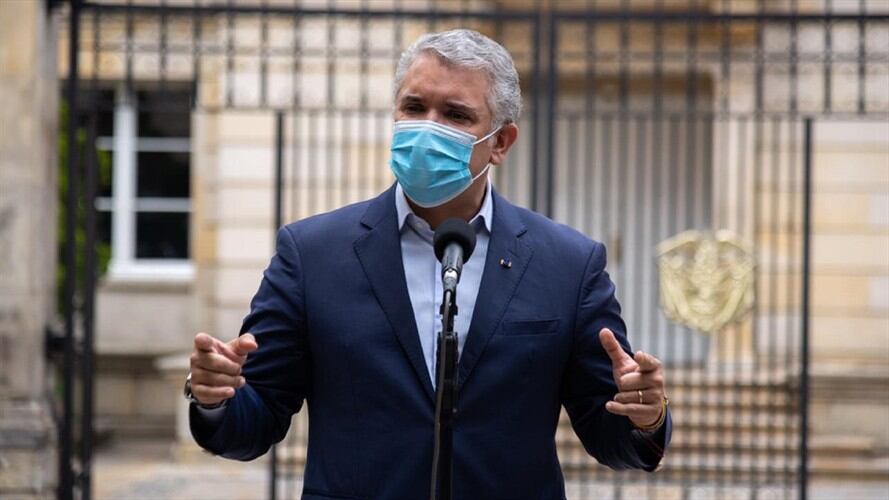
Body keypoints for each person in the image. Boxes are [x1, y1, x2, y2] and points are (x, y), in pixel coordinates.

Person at [185, 29, 671, 499]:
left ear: (500, 143)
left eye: (456, 115)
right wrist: (215, 399)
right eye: (414, 107)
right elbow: (256, 419)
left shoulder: (568, 264)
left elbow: (611, 437)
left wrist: (644, 417)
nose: (427, 128)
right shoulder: (311, 253)